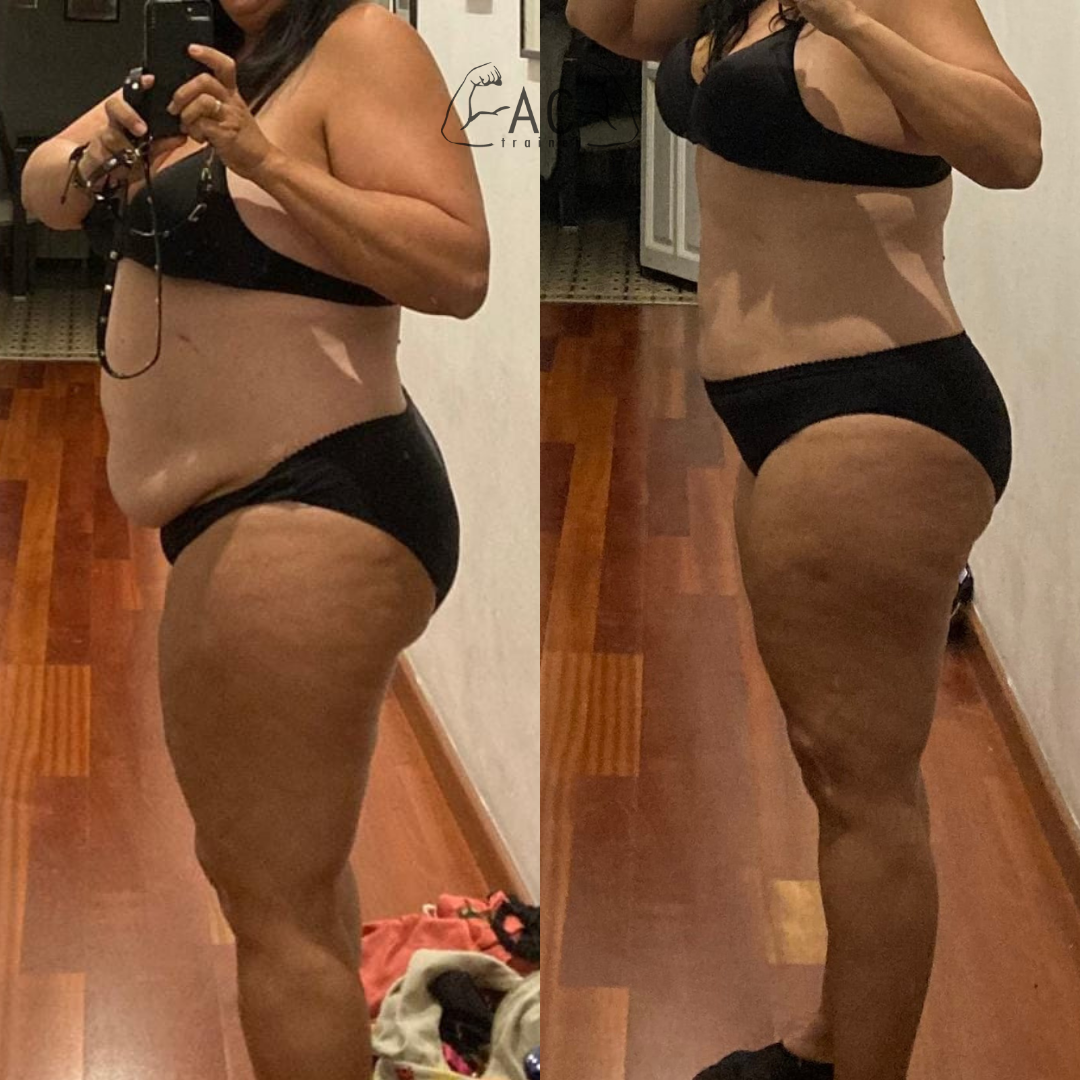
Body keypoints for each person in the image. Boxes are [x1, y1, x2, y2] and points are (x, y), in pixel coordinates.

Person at [563, 0, 1041, 1078]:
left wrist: (859, 28)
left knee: (864, 786)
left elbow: (1014, 149)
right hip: (779, 410)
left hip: (877, 398)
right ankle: (835, 1039)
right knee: (831, 766)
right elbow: (614, 27)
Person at [21, 2, 489, 1078]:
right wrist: (106, 145)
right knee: (293, 887)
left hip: (315, 494)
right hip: (249, 514)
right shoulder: (206, 58)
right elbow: (44, 188)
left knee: (270, 908)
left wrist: (265, 160)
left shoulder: (361, 44)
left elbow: (457, 270)